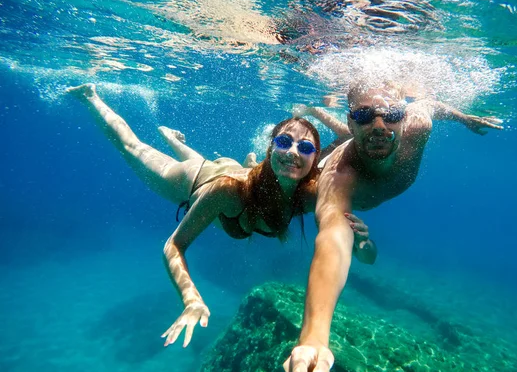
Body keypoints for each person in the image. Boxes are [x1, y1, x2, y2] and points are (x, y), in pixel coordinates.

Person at [66, 83, 374, 348]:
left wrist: (363, 246)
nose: (293, 151)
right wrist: (190, 298)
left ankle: (173, 139)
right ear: (270, 150)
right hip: (195, 180)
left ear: (314, 160)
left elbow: (362, 253)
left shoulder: (310, 194)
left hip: (239, 169)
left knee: (232, 165)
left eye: (305, 147)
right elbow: (174, 245)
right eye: (283, 142)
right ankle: (91, 97)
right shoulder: (228, 193)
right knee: (133, 147)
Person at [284, 82, 504, 372]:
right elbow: (332, 236)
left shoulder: (418, 127)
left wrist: (462, 117)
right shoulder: (340, 178)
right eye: (363, 116)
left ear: (404, 117)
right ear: (351, 120)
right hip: (319, 176)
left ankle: (318, 112)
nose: (379, 126)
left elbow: (430, 103)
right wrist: (314, 338)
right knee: (282, 196)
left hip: (350, 146)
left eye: (392, 114)